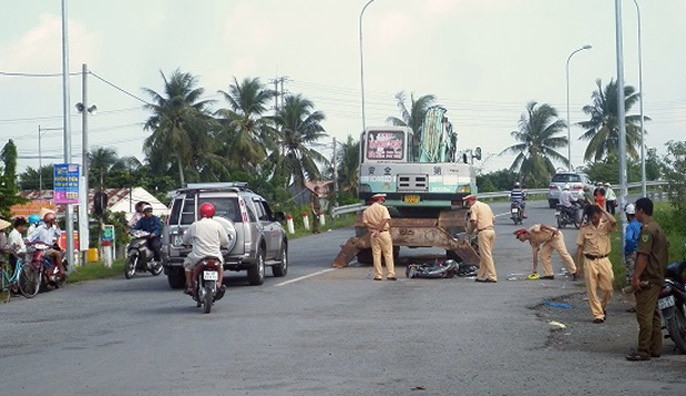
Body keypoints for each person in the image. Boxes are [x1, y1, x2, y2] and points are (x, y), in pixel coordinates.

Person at [626, 198, 668, 361]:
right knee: (654, 315)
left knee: (644, 315)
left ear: (641, 211)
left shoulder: (647, 231)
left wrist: (635, 277)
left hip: (648, 279)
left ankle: (643, 350)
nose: (635, 213)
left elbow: (643, 256)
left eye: (636, 210)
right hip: (658, 277)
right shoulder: (658, 228)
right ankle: (654, 348)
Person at [575, 204, 617, 323]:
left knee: (608, 287)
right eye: (591, 217)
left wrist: (602, 208)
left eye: (595, 216)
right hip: (589, 261)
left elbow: (613, 220)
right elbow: (579, 247)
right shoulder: (585, 229)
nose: (593, 219)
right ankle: (598, 314)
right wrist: (577, 266)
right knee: (591, 289)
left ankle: (602, 307)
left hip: (604, 260)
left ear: (599, 215)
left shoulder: (606, 225)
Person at [182, 203, 230, 295]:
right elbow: (225, 241)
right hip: (215, 255)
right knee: (220, 265)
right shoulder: (217, 225)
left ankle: (189, 286)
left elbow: (185, 239)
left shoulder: (195, 225)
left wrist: (186, 244)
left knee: (187, 266)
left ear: (200, 213)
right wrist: (222, 245)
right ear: (212, 213)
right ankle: (219, 284)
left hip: (198, 257)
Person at [362, 193, 396, 281]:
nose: (383, 202)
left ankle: (378, 275)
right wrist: (378, 229)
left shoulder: (367, 211)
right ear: (380, 200)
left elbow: (365, 223)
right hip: (383, 233)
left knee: (376, 255)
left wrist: (374, 229)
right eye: (383, 200)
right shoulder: (383, 209)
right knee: (388, 254)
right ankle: (390, 274)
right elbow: (385, 219)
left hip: (373, 234)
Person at [464, 194, 497, 283]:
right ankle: (480, 275)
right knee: (484, 255)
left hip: (483, 232)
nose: (468, 205)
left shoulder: (474, 207)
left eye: (467, 203)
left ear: (470, 201)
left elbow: (473, 221)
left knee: (486, 255)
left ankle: (492, 276)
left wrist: (470, 231)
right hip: (491, 231)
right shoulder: (486, 205)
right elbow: (493, 219)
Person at [28, 211, 65, 277]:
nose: (54, 222)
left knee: (57, 253)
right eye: (53, 220)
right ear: (50, 220)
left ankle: (61, 270)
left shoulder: (53, 228)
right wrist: (27, 240)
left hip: (48, 249)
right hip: (40, 249)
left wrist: (57, 227)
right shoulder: (40, 228)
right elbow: (31, 236)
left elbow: (59, 234)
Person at [623, 203, 641, 312]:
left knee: (633, 277)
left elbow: (629, 239)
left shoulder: (631, 226)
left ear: (628, 215)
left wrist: (630, 250)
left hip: (633, 254)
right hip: (642, 253)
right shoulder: (641, 224)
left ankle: (637, 305)